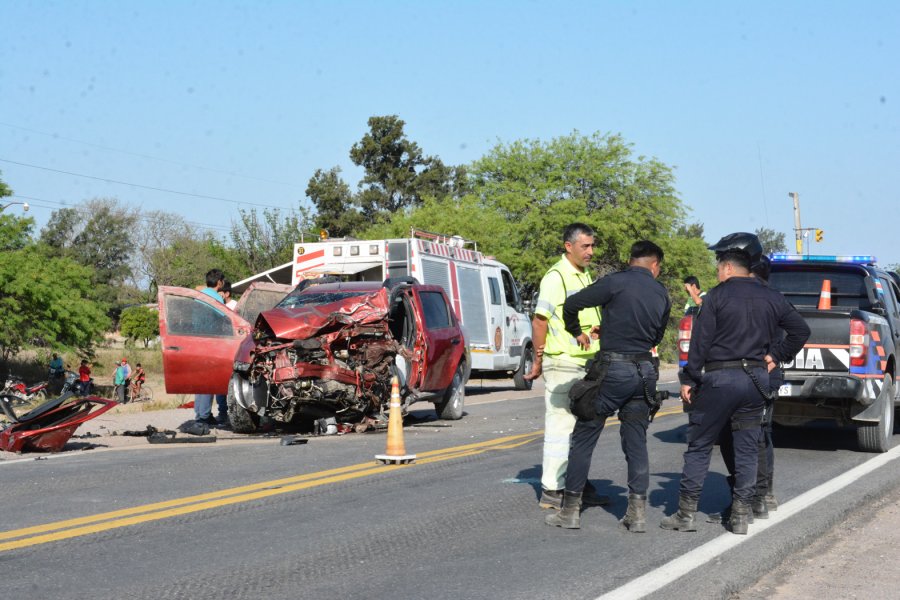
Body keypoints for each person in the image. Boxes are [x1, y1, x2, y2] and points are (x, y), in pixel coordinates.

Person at [661, 240, 809, 535]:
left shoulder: (716, 297)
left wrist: (689, 379)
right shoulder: (772, 297)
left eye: (718, 268)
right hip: (756, 381)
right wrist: (775, 356)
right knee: (747, 448)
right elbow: (801, 330)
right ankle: (741, 514)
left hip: (720, 379)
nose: (717, 274)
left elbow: (699, 344)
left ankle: (686, 514)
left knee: (700, 444)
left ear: (728, 268)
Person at [544, 240, 671, 532]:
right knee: (636, 442)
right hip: (645, 373)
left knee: (585, 435)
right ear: (655, 265)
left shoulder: (615, 282)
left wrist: (576, 331)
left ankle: (571, 512)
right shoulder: (661, 293)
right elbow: (655, 338)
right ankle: (637, 515)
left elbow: (573, 304)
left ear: (631, 260)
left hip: (613, 369)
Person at [524, 223, 607, 510]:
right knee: (560, 427)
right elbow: (540, 320)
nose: (591, 252)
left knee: (583, 428)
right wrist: (538, 360)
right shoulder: (556, 277)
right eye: (585, 246)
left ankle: (577, 483)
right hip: (562, 363)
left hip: (586, 364)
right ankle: (553, 489)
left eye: (592, 246)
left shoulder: (584, 276)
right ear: (568, 246)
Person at [195, 268, 227, 427]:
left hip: (195, 341)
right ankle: (205, 416)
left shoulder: (198, 296)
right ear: (220, 282)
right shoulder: (216, 299)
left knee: (200, 381)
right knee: (209, 381)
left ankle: (200, 413)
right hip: (211, 342)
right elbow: (223, 321)